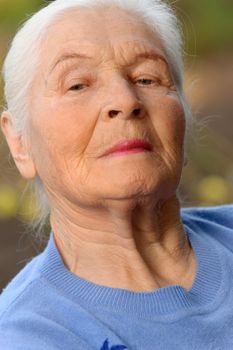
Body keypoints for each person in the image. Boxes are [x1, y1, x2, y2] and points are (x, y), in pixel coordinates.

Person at [0, 0, 232, 349]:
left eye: (147, 78)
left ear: (183, 118)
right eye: (77, 85)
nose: (125, 100)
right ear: (19, 142)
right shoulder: (30, 335)